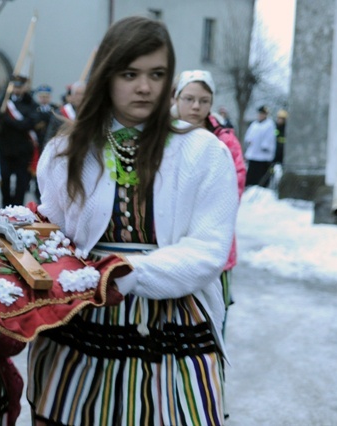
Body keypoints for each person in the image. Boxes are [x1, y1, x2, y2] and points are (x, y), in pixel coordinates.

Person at [27, 16, 238, 425]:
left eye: (157, 74)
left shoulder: (203, 152)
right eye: (130, 74)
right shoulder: (66, 150)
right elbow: (54, 235)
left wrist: (127, 272)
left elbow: (208, 249)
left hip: (171, 318)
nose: (145, 87)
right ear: (107, 75)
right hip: (84, 319)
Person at [173, 69, 246, 333]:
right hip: (169, 241)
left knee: (213, 319)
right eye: (189, 98)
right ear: (176, 98)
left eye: (203, 101)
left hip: (215, 242)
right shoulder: (161, 136)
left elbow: (234, 187)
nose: (196, 106)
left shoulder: (224, 140)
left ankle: (212, 372)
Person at [0, 74, 39, 207]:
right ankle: (5, 205)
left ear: (25, 88)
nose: (17, 89)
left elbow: (28, 124)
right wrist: (16, 122)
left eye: (20, 87)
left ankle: (17, 207)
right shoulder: (4, 101)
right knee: (5, 180)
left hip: (22, 150)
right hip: (6, 148)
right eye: (15, 86)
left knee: (22, 182)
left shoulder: (30, 102)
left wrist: (10, 121)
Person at [32, 84, 58, 199]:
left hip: (51, 145)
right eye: (41, 96)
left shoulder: (55, 110)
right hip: (38, 145)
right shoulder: (34, 110)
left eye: (46, 96)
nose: (44, 99)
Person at [244, 105, 277, 187]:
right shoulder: (254, 124)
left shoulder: (269, 124)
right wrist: (249, 141)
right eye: (260, 114)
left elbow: (270, 137)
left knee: (260, 173)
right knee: (252, 172)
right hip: (253, 153)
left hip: (263, 155)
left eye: (263, 114)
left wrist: (265, 146)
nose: (261, 115)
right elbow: (249, 135)